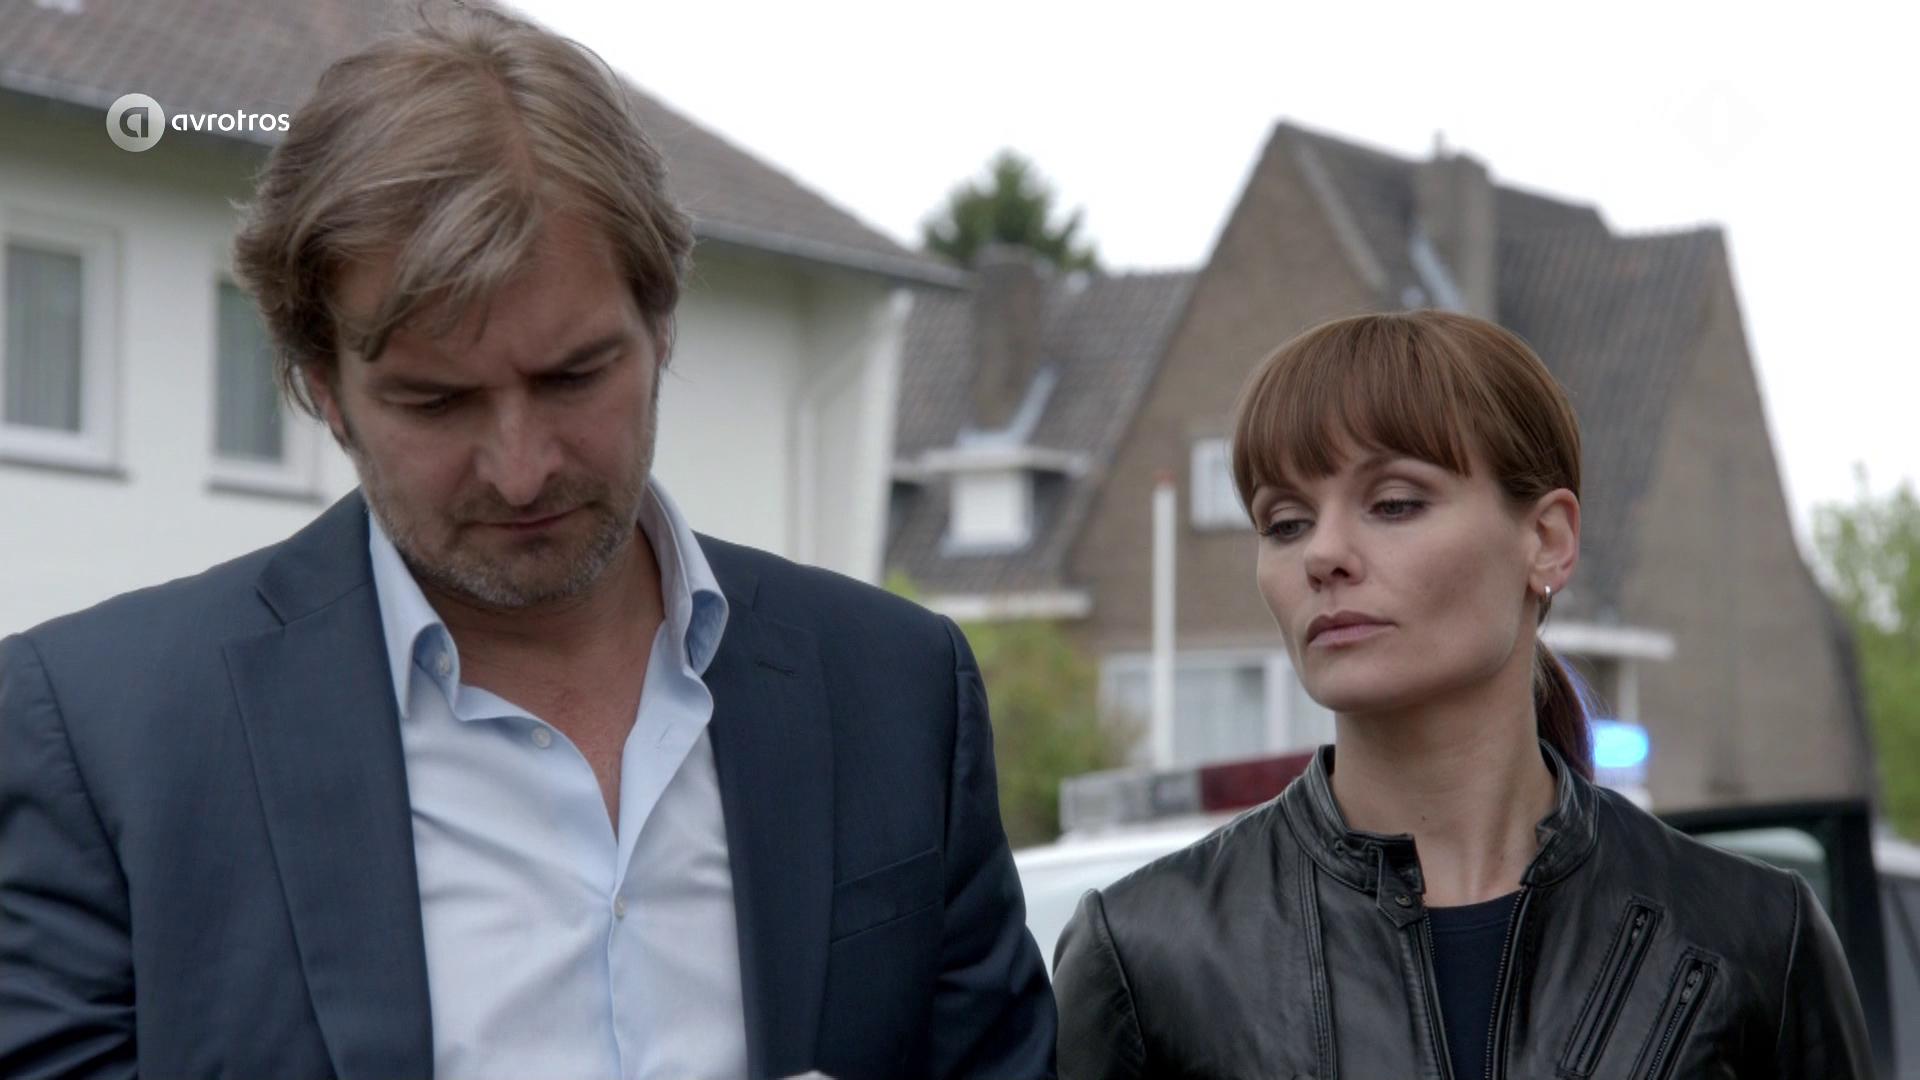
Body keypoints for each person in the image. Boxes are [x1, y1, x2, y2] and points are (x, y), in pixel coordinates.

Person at [0, 8, 1054, 1079]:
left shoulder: (895, 687)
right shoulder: (102, 740)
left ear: (662, 326)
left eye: (573, 377)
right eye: (435, 401)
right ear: (324, 391)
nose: (521, 468)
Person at [1052, 310, 1871, 1078]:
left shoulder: (1749, 936)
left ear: (1546, 539)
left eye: (1394, 504)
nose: (1323, 554)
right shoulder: (1144, 955)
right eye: (1286, 522)